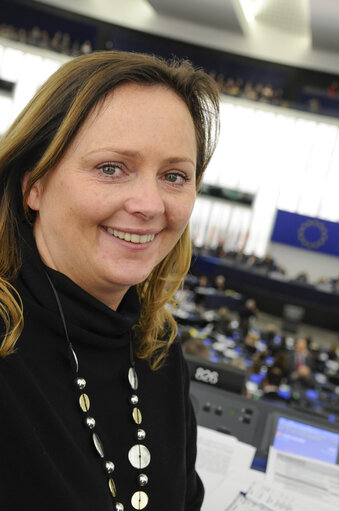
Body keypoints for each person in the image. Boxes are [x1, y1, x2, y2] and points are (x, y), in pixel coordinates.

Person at [0, 50, 220, 511]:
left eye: (174, 176)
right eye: (111, 168)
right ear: (33, 184)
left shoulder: (158, 349)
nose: (150, 204)